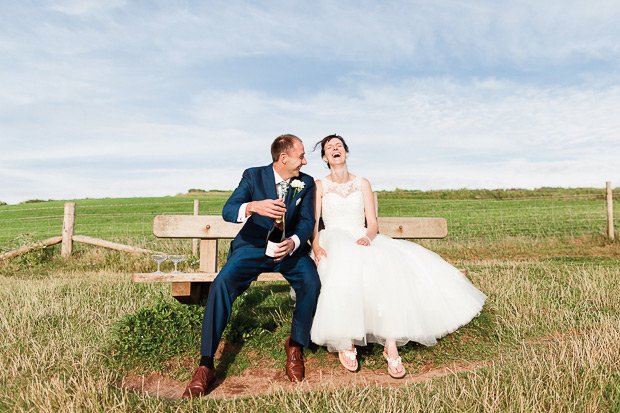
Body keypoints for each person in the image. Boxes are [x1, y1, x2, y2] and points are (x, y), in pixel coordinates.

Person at [309, 135, 487, 379]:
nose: (335, 149)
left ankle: (390, 345)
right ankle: (346, 340)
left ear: (346, 153)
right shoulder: (320, 185)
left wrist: (369, 238)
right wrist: (317, 247)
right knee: (342, 267)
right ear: (325, 158)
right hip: (333, 238)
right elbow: (313, 223)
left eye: (339, 146)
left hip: (362, 236)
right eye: (330, 148)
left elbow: (372, 222)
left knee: (388, 269)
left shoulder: (362, 183)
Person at [183, 134, 321, 398]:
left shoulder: (307, 182)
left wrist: (293, 242)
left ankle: (295, 345)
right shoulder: (253, 176)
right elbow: (228, 210)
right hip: (252, 247)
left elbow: (306, 221)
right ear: (284, 158)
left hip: (288, 251)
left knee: (311, 282)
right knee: (221, 284)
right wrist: (252, 207)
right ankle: (206, 364)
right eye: (301, 156)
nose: (304, 161)